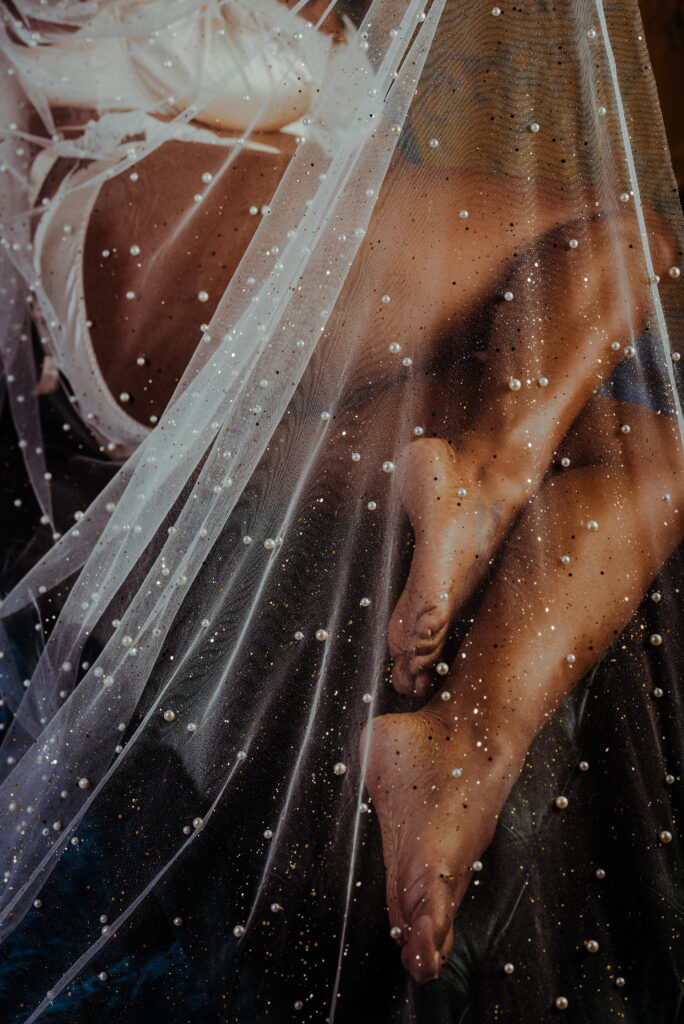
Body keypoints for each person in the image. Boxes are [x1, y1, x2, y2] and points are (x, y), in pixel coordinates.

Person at [0, 0, 682, 1017]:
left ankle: (457, 741)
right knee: (627, 232)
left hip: (200, 382)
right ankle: (484, 474)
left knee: (651, 459)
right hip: (153, 223)